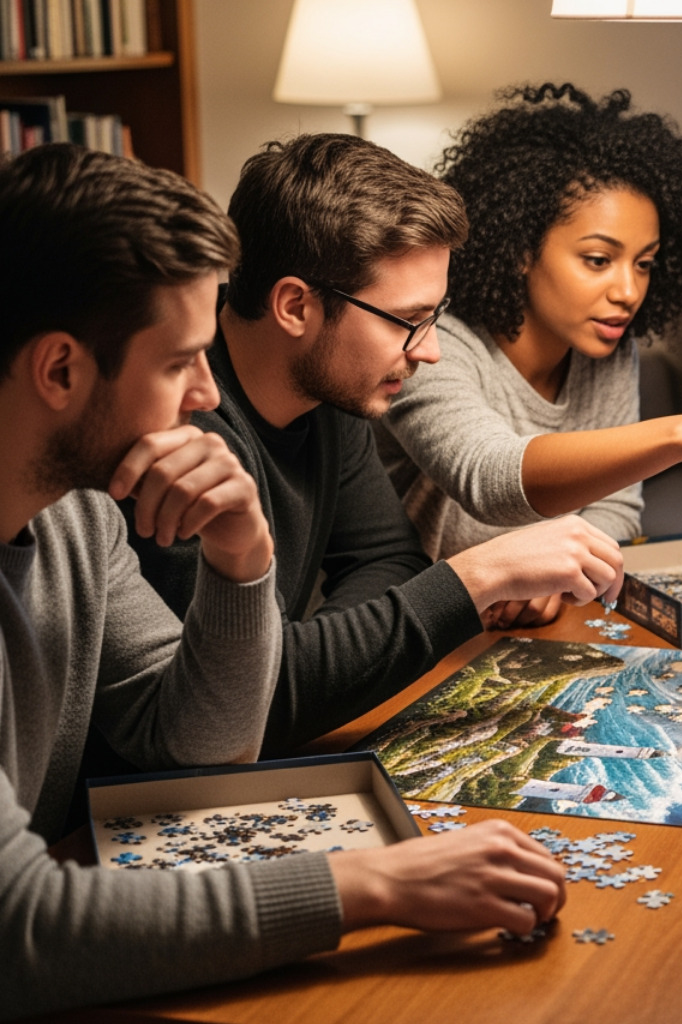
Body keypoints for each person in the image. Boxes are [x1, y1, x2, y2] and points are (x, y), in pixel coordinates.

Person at [1, 145, 567, 1019]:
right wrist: (369, 885)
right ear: (62, 371)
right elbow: (22, 928)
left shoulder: (74, 518)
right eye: (179, 362)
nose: (204, 395)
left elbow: (200, 747)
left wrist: (243, 562)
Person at [120, 133, 625, 757]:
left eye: (435, 317)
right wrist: (478, 577)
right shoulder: (176, 427)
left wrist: (318, 656)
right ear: (295, 306)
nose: (430, 350)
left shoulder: (330, 387)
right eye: (408, 320)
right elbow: (246, 700)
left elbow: (388, 561)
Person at [377, 82, 682, 621]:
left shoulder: (607, 347)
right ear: (522, 249)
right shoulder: (430, 343)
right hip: (416, 634)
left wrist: (561, 571)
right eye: (598, 259)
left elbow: (617, 508)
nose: (628, 292)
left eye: (644, 263)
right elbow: (487, 478)